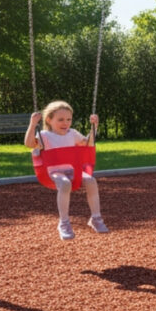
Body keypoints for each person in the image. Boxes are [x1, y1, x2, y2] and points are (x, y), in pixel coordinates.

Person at [24, 100, 108, 240]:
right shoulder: (44, 135)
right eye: (61, 119)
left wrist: (94, 126)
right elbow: (29, 144)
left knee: (91, 181)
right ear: (49, 120)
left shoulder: (72, 133)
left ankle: (96, 218)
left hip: (72, 170)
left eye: (69, 119)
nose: (65, 123)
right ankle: (64, 223)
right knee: (65, 183)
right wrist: (33, 124)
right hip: (53, 172)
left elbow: (88, 144)